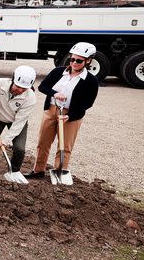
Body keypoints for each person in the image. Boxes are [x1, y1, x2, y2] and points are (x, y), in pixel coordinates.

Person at [26, 42, 99, 180]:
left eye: (79, 60)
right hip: (51, 111)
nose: (74, 63)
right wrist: (54, 93)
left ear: (88, 60)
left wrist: (70, 116)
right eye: (72, 59)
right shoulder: (58, 72)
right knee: (43, 143)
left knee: (65, 147)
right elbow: (43, 87)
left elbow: (88, 103)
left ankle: (59, 172)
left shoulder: (91, 81)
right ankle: (38, 170)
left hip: (71, 116)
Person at [0, 65, 38, 179]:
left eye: (24, 89)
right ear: (13, 79)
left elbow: (20, 122)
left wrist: (6, 140)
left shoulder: (30, 98)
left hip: (16, 121)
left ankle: (14, 171)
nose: (20, 90)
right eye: (18, 86)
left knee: (20, 148)